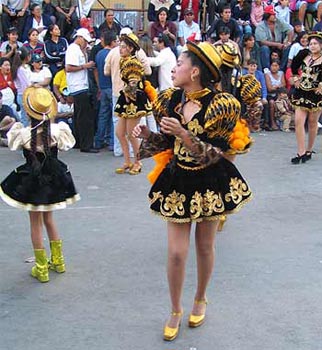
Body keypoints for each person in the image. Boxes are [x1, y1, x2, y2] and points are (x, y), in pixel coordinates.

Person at [132, 41, 252, 341]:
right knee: (175, 253)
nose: (174, 68)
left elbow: (215, 156)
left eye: (180, 64)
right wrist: (149, 135)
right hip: (179, 181)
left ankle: (200, 297)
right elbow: (167, 144)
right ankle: (175, 308)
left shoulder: (222, 105)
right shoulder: (169, 99)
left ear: (195, 71)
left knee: (204, 246)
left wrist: (184, 133)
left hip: (210, 181)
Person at [0, 86, 80, 282]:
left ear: (29, 111)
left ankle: (42, 267)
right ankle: (59, 262)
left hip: (32, 180)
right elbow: (67, 144)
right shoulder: (57, 131)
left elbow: (12, 144)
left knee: (35, 222)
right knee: (49, 220)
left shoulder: (24, 133)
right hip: (53, 178)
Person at [114, 33, 152, 175]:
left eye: (123, 47)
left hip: (134, 98)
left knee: (132, 133)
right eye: (120, 46)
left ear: (130, 48)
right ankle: (127, 161)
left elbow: (134, 82)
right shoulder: (124, 60)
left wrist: (129, 96)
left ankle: (138, 161)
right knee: (119, 132)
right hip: (127, 96)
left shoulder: (133, 62)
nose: (120, 49)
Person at [290, 31, 322, 164]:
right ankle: (300, 152)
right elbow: (292, 67)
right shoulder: (303, 54)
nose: (312, 46)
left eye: (315, 44)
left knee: (312, 123)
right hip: (301, 92)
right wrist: (295, 77)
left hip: (316, 94)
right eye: (311, 44)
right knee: (298, 121)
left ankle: (309, 150)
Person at [65, 28, 97, 153]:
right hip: (78, 86)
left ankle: (79, 141)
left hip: (80, 85)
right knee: (85, 117)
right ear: (80, 38)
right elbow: (68, 67)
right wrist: (85, 66)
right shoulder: (73, 49)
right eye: (85, 41)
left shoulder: (78, 49)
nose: (86, 44)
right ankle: (86, 145)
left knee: (79, 115)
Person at [93, 31, 117, 150]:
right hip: (112, 87)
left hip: (102, 87)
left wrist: (99, 86)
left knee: (103, 115)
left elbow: (96, 71)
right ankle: (113, 142)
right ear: (112, 42)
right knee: (114, 115)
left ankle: (98, 140)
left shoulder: (99, 54)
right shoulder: (113, 54)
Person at [255, 5, 294, 70]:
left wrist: (289, 42)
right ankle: (266, 70)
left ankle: (282, 69)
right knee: (264, 49)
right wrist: (277, 44)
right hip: (268, 47)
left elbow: (291, 30)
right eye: (273, 15)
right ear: (267, 16)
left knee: (288, 48)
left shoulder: (279, 21)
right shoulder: (260, 26)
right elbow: (262, 41)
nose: (275, 16)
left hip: (280, 46)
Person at [11, 46, 31, 126]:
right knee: (25, 117)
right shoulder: (20, 70)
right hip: (23, 94)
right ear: (26, 57)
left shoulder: (24, 68)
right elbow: (25, 84)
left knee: (27, 116)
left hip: (24, 94)